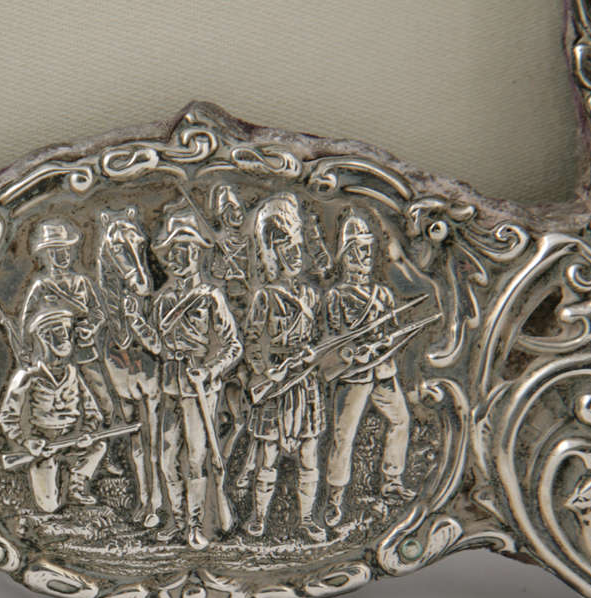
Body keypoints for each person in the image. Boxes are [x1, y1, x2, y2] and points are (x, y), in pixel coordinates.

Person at [148, 204, 242, 550]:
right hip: (170, 383)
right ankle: (175, 519)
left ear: (197, 254)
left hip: (200, 388)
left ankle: (195, 524)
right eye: (174, 251)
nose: (180, 257)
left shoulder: (211, 297)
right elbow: (158, 346)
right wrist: (142, 332)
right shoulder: (162, 301)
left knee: (195, 459)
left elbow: (233, 345)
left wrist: (210, 369)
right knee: (166, 457)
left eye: (186, 250)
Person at [243, 193, 327, 543]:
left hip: (305, 382)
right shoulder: (265, 297)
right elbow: (251, 342)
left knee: (309, 455)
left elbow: (321, 337)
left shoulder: (311, 295)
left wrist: (311, 356)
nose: (294, 256)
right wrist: (266, 371)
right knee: (269, 456)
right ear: (274, 255)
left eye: (296, 249)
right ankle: (258, 518)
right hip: (277, 382)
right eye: (286, 250)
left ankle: (307, 519)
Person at [323, 210, 416, 526]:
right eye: (356, 253)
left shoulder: (383, 294)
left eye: (366, 252)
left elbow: (393, 332)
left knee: (401, 420)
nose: (362, 259)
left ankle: (392, 481)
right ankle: (335, 498)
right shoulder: (336, 296)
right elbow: (332, 340)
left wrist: (385, 343)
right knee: (343, 435)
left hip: (383, 372)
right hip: (354, 376)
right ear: (345, 257)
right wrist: (354, 353)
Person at [0, 298, 108, 513]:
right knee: (48, 507)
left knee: (98, 446)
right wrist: (27, 441)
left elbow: (93, 413)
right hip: (43, 445)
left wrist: (86, 433)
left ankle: (77, 485)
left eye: (67, 330)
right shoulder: (27, 376)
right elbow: (7, 417)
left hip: (71, 439)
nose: (66, 336)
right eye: (59, 331)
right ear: (44, 337)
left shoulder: (73, 374)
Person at [19, 220, 114, 423]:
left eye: (64, 250)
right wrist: (27, 350)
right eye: (55, 252)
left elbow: (98, 312)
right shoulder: (42, 286)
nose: (61, 255)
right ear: (48, 256)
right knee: (56, 398)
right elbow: (27, 321)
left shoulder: (82, 283)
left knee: (99, 392)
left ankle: (108, 424)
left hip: (83, 346)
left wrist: (90, 328)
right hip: (53, 352)